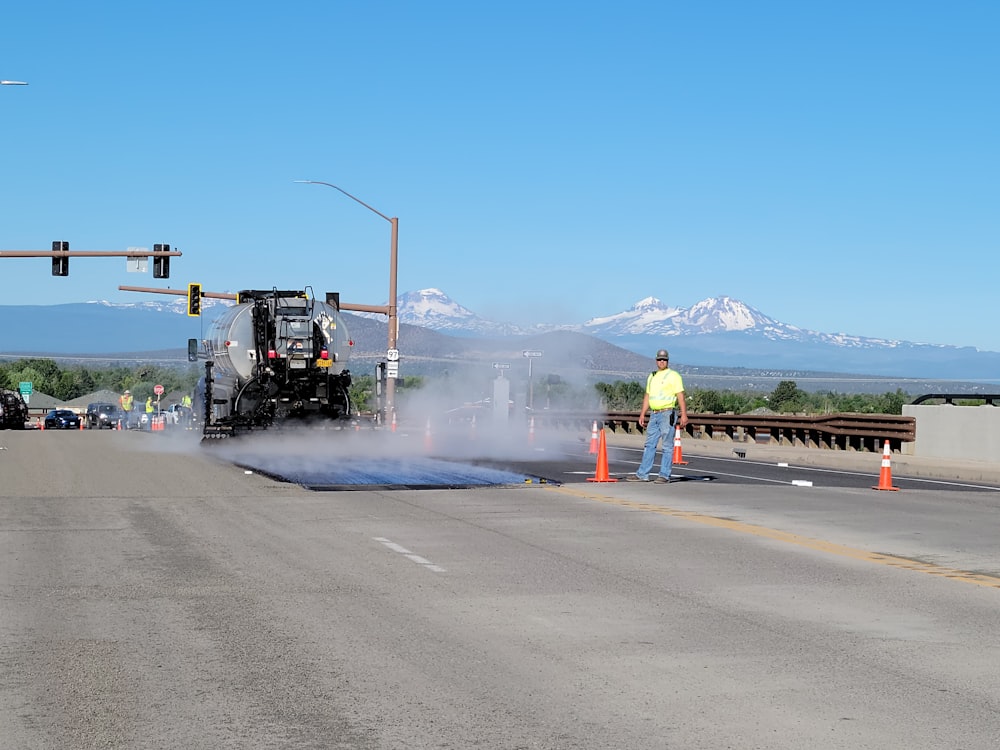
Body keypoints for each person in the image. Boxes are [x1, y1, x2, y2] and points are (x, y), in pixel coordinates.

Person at [626, 349, 688, 483]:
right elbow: (647, 396)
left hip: (667, 413)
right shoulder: (652, 376)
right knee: (649, 444)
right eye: (660, 359)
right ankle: (643, 473)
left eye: (664, 360)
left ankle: (664, 475)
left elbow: (680, 395)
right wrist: (643, 413)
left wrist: (684, 414)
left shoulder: (674, 376)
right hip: (654, 414)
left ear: (668, 361)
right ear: (656, 361)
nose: (662, 362)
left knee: (667, 445)